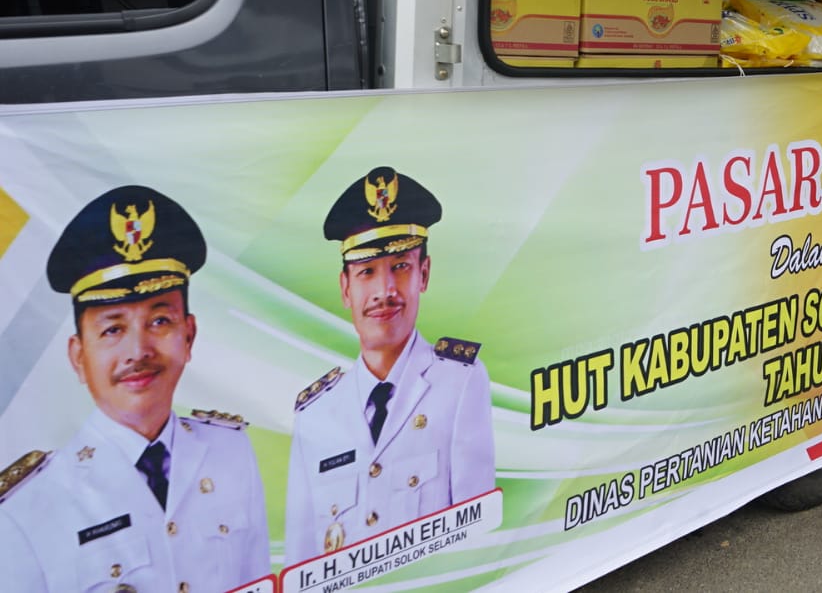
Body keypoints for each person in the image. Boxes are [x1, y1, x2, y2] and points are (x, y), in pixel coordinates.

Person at [0, 186, 270, 593]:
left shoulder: (230, 452)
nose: (138, 351)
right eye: (112, 329)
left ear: (189, 334)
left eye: (159, 321)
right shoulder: (26, 510)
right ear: (78, 356)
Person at [285, 167, 495, 562]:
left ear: (424, 274)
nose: (385, 291)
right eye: (367, 272)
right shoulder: (315, 415)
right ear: (346, 288)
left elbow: (475, 534)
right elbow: (302, 561)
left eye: (400, 266)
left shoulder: (459, 383)